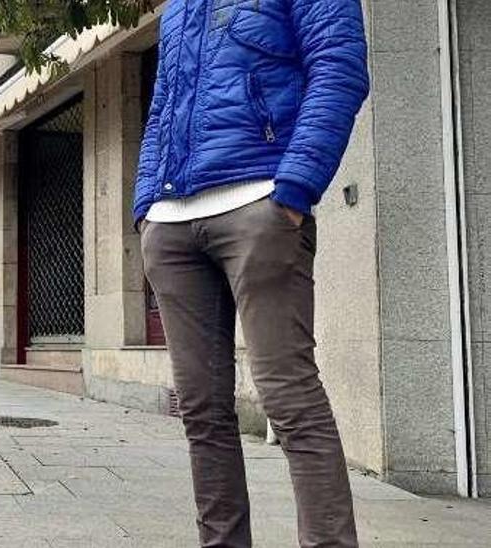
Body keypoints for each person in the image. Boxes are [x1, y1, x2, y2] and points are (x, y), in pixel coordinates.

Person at [135, 1, 369, 547]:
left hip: (258, 203)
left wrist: (294, 188)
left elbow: (339, 66)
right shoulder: (178, 9)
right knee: (200, 410)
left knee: (289, 399)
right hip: (171, 222)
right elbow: (162, 105)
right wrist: (145, 205)